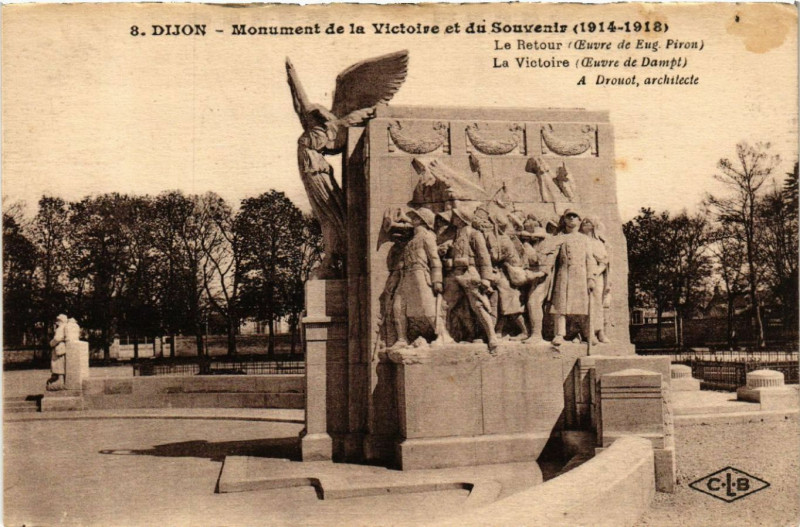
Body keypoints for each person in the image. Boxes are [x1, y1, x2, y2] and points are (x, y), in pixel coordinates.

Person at [439, 207, 499, 351]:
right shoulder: (455, 236)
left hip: (470, 273)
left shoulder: (474, 234)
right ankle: (443, 336)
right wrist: (445, 254)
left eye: (456, 216)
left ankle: (492, 336)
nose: (453, 218)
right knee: (444, 305)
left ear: (462, 219)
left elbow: (484, 257)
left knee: (478, 305)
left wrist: (486, 279)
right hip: (454, 274)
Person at [390, 207, 443, 349]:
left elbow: (434, 259)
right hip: (406, 275)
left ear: (422, 221)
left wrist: (437, 280)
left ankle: (442, 335)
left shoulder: (427, 237)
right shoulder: (412, 240)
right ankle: (402, 338)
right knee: (398, 306)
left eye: (416, 217)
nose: (412, 219)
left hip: (420, 274)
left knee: (427, 306)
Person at [549, 210, 597, 346]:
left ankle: (587, 333)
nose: (571, 218)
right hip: (564, 273)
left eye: (574, 216)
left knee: (582, 306)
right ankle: (560, 333)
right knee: (561, 305)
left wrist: (591, 278)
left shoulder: (585, 239)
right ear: (564, 220)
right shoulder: (560, 238)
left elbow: (590, 259)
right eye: (568, 216)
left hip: (580, 274)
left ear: (579, 220)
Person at [580, 217, 611, 343]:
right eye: (583, 222)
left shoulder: (597, 243)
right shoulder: (579, 240)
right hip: (580, 276)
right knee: (582, 304)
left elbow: (604, 261)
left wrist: (595, 273)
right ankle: (583, 332)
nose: (584, 223)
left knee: (596, 303)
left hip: (596, 277)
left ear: (593, 226)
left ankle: (599, 331)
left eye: (588, 222)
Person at [46, 314, 68, 390]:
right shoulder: (65, 327)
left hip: (59, 348)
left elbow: (57, 338)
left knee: (58, 364)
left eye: (58, 320)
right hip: (61, 348)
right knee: (59, 364)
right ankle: (57, 378)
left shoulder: (60, 328)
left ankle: (59, 380)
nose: (56, 322)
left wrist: (51, 343)